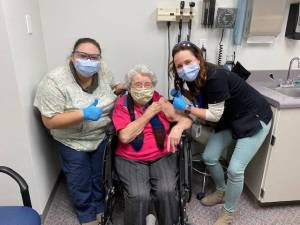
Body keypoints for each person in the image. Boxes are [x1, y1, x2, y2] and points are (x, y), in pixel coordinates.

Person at [169, 41, 272, 225]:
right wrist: (184, 94)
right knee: (209, 156)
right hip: (231, 117)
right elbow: (205, 100)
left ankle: (228, 213)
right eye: (179, 66)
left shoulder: (215, 76)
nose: (184, 68)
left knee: (235, 169)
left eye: (188, 62)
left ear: (198, 59)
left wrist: (187, 108)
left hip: (254, 116)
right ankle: (222, 191)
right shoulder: (192, 78)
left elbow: (214, 115)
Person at [34, 37, 124, 225]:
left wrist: (124, 87)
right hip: (71, 139)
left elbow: (111, 89)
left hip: (99, 135)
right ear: (72, 57)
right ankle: (86, 214)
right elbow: (49, 121)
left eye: (94, 57)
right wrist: (82, 114)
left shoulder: (103, 70)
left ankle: (100, 206)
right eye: (83, 56)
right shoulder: (54, 81)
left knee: (98, 174)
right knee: (79, 178)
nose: (89, 61)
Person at [112, 64, 192, 225]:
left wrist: (178, 128)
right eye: (138, 84)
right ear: (129, 87)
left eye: (147, 85)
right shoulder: (122, 105)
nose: (143, 88)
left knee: (167, 191)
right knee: (139, 194)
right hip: (130, 158)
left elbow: (186, 119)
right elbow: (125, 137)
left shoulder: (160, 101)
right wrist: (147, 115)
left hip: (162, 155)